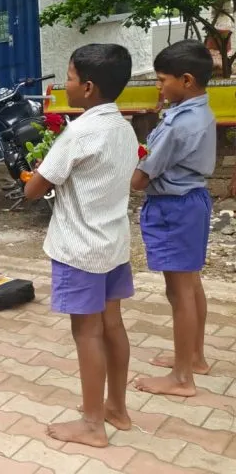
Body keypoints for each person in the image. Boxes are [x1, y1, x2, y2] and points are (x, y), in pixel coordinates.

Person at [23, 43, 139, 448]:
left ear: (88, 87)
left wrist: (33, 174)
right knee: (113, 325)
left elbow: (36, 190)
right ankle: (116, 409)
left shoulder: (80, 131)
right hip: (112, 244)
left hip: (80, 249)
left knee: (86, 332)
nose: (64, 84)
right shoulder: (124, 127)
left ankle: (92, 424)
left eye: (69, 77)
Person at [131, 40, 217, 398]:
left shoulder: (180, 124)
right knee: (191, 284)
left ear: (186, 79)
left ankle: (183, 378)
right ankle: (194, 356)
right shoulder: (198, 111)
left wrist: (129, 176)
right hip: (192, 201)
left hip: (174, 207)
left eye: (162, 79)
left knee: (178, 291)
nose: (158, 85)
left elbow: (141, 178)